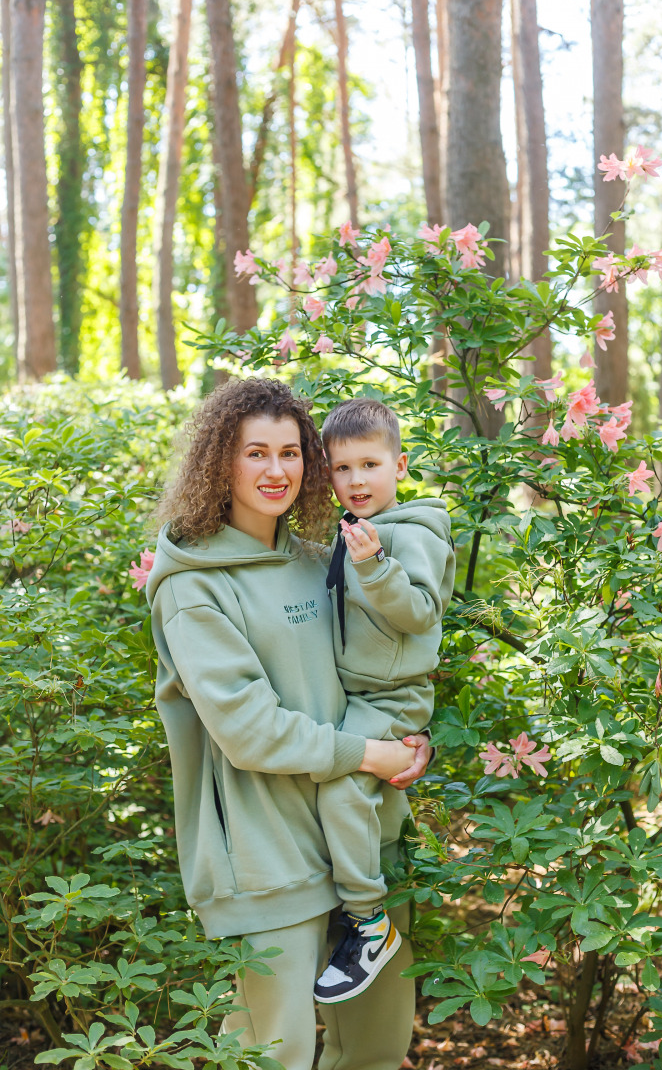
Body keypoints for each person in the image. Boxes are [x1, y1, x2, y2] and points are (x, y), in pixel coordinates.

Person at [146, 377, 431, 1070]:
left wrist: (406, 736)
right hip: (265, 860)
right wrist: (370, 754)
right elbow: (248, 729)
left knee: (377, 1050)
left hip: (358, 842)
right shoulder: (192, 586)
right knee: (274, 1054)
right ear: (221, 462)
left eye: (290, 452)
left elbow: (385, 658)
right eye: (254, 454)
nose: (276, 471)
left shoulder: (320, 558)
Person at [313, 399, 455, 1004]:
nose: (356, 481)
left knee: (341, 789)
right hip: (361, 694)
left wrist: (373, 566)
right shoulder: (353, 532)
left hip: (392, 698)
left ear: (399, 464)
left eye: (370, 464)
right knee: (353, 800)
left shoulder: (410, 533)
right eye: (342, 469)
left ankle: (370, 924)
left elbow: (421, 612)